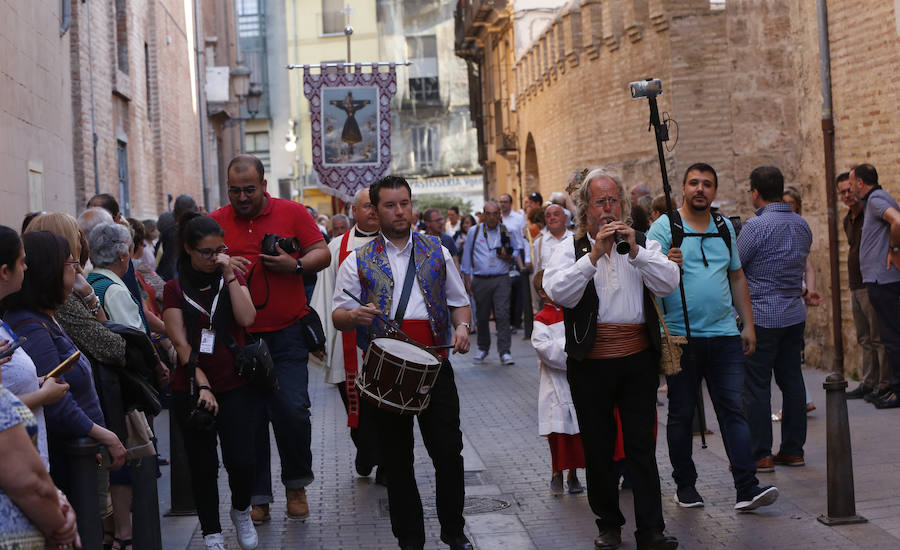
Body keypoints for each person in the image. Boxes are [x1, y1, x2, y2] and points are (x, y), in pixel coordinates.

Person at [332, 175, 473, 550]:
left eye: (404, 203)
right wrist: (355, 316)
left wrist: (462, 328)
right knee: (397, 461)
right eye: (391, 205)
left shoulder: (437, 251)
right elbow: (337, 315)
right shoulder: (356, 260)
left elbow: (459, 301)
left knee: (448, 452)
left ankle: (454, 532)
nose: (399, 211)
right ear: (376, 211)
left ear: (411, 205)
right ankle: (410, 540)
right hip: (385, 371)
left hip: (434, 364)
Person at [543, 169, 679, 550]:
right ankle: (608, 524)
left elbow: (669, 281)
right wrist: (594, 256)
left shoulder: (641, 243)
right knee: (599, 448)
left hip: (637, 359)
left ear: (623, 205)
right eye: (600, 202)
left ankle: (651, 530)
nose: (608, 209)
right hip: (591, 363)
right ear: (587, 210)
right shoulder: (567, 250)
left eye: (613, 200)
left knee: (642, 447)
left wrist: (634, 251)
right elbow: (559, 293)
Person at [647, 162, 779, 511]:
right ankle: (686, 487)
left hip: (723, 335)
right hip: (680, 337)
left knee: (733, 411)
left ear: (715, 191)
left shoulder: (723, 226)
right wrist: (666, 263)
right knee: (680, 414)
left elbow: (736, 277)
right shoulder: (664, 227)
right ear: (683, 188)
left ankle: (746, 487)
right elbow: (645, 272)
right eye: (694, 183)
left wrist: (747, 324)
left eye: (707, 184)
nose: (700, 189)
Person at [210, 154, 330, 521]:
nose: (242, 197)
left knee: (292, 410)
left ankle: (296, 484)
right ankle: (258, 497)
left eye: (249, 189)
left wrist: (293, 265)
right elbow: (196, 267)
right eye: (235, 190)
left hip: (288, 334)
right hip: (238, 339)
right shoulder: (215, 222)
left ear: (264, 185)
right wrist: (223, 265)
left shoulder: (293, 212)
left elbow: (322, 253)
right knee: (248, 420)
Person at [1, 232, 126, 518]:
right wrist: (98, 433)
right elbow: (113, 346)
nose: (77, 269)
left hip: (67, 451)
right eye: (72, 262)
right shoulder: (29, 324)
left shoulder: (45, 316)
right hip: (51, 458)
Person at [163, 214, 263, 550]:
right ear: (189, 250)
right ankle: (212, 532)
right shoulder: (174, 289)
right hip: (191, 387)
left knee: (242, 459)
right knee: (203, 464)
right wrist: (202, 384)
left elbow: (247, 319)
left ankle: (241, 510)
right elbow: (181, 346)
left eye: (219, 249)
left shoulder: (228, 276)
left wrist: (228, 274)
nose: (214, 257)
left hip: (235, 382)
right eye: (206, 252)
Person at [738, 166, 813, 471]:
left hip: (762, 317)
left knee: (757, 385)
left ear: (755, 192)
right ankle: (793, 450)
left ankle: (760, 453)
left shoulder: (755, 227)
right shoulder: (802, 225)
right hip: (794, 314)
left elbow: (736, 264)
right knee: (792, 380)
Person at [309, 187, 382, 483]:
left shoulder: (396, 243)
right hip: (346, 342)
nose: (374, 211)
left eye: (377, 205)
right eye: (367, 206)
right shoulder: (336, 248)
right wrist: (319, 339)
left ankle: (388, 465)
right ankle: (365, 450)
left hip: (388, 343)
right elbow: (325, 295)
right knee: (357, 409)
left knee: (388, 408)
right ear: (355, 210)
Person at [531, 270, 584, 496]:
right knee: (558, 432)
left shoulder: (575, 311)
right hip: (554, 384)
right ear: (543, 293)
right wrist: (572, 352)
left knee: (576, 431)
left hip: (576, 381)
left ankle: (573, 474)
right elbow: (546, 351)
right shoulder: (541, 320)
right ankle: (556, 472)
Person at [852, 163, 900, 408]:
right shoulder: (875, 199)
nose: (850, 189)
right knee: (889, 336)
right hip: (879, 279)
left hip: (884, 280)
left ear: (860, 182)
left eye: (852, 183)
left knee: (891, 337)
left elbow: (898, 221)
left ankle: (897, 389)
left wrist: (893, 250)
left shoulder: (876, 199)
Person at [839, 173, 890, 401]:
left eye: (849, 190)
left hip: (872, 281)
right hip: (855, 284)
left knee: (878, 336)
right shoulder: (847, 219)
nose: (847, 195)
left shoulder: (872, 210)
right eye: (842, 192)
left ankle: (884, 384)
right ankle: (869, 382)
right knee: (864, 338)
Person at [460, 200, 524, 365]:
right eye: (488, 214)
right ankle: (483, 348)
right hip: (480, 280)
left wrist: (509, 255)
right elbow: (466, 258)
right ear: (483, 215)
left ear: (499, 215)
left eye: (495, 213)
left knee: (502, 315)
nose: (492, 217)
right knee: (482, 316)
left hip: (501, 278)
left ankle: (505, 352)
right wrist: (467, 280)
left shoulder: (506, 231)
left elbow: (517, 248)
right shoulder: (474, 232)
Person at [498, 193, 530, 332]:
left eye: (505, 201)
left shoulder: (518, 218)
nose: (503, 204)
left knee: (519, 290)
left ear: (510, 203)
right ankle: (507, 321)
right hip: (502, 256)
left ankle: (517, 321)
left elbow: (524, 239)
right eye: (501, 201)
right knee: (505, 290)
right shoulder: (496, 219)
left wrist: (527, 258)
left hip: (519, 255)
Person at [157, 195, 200, 281]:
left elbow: (158, 261)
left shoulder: (167, 233)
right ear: (196, 209)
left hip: (172, 283)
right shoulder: (203, 230)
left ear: (175, 213)